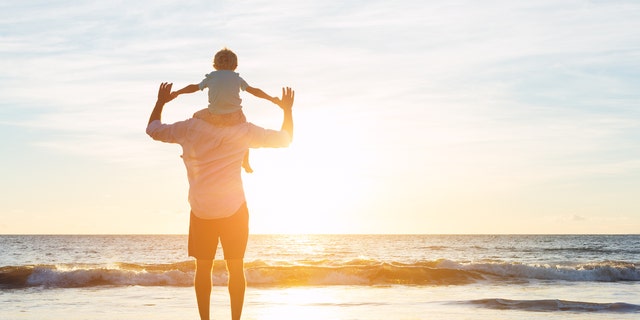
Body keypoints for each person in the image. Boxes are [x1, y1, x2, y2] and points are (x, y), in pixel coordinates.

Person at [146, 82, 294, 320]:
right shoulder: (244, 130)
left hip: (202, 208)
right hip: (234, 208)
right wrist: (287, 110)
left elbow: (153, 129)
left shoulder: (190, 127)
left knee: (203, 269)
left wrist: (161, 102)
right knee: (236, 268)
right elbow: (285, 139)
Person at [170, 48, 281, 173]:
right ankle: (245, 161)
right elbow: (255, 91)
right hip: (235, 117)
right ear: (235, 66)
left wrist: (177, 92)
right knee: (244, 135)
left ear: (215, 65)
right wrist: (272, 99)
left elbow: (193, 87)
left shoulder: (211, 77)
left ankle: (191, 149)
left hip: (214, 116)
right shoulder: (236, 78)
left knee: (195, 117)